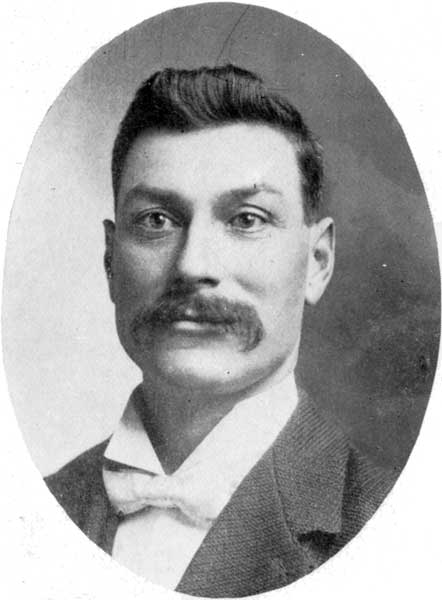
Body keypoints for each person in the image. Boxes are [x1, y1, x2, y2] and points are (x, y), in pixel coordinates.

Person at [46, 64, 395, 597]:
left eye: (247, 219)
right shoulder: (32, 509)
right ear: (110, 261)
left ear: (317, 262)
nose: (193, 265)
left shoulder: (394, 522)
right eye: (157, 220)